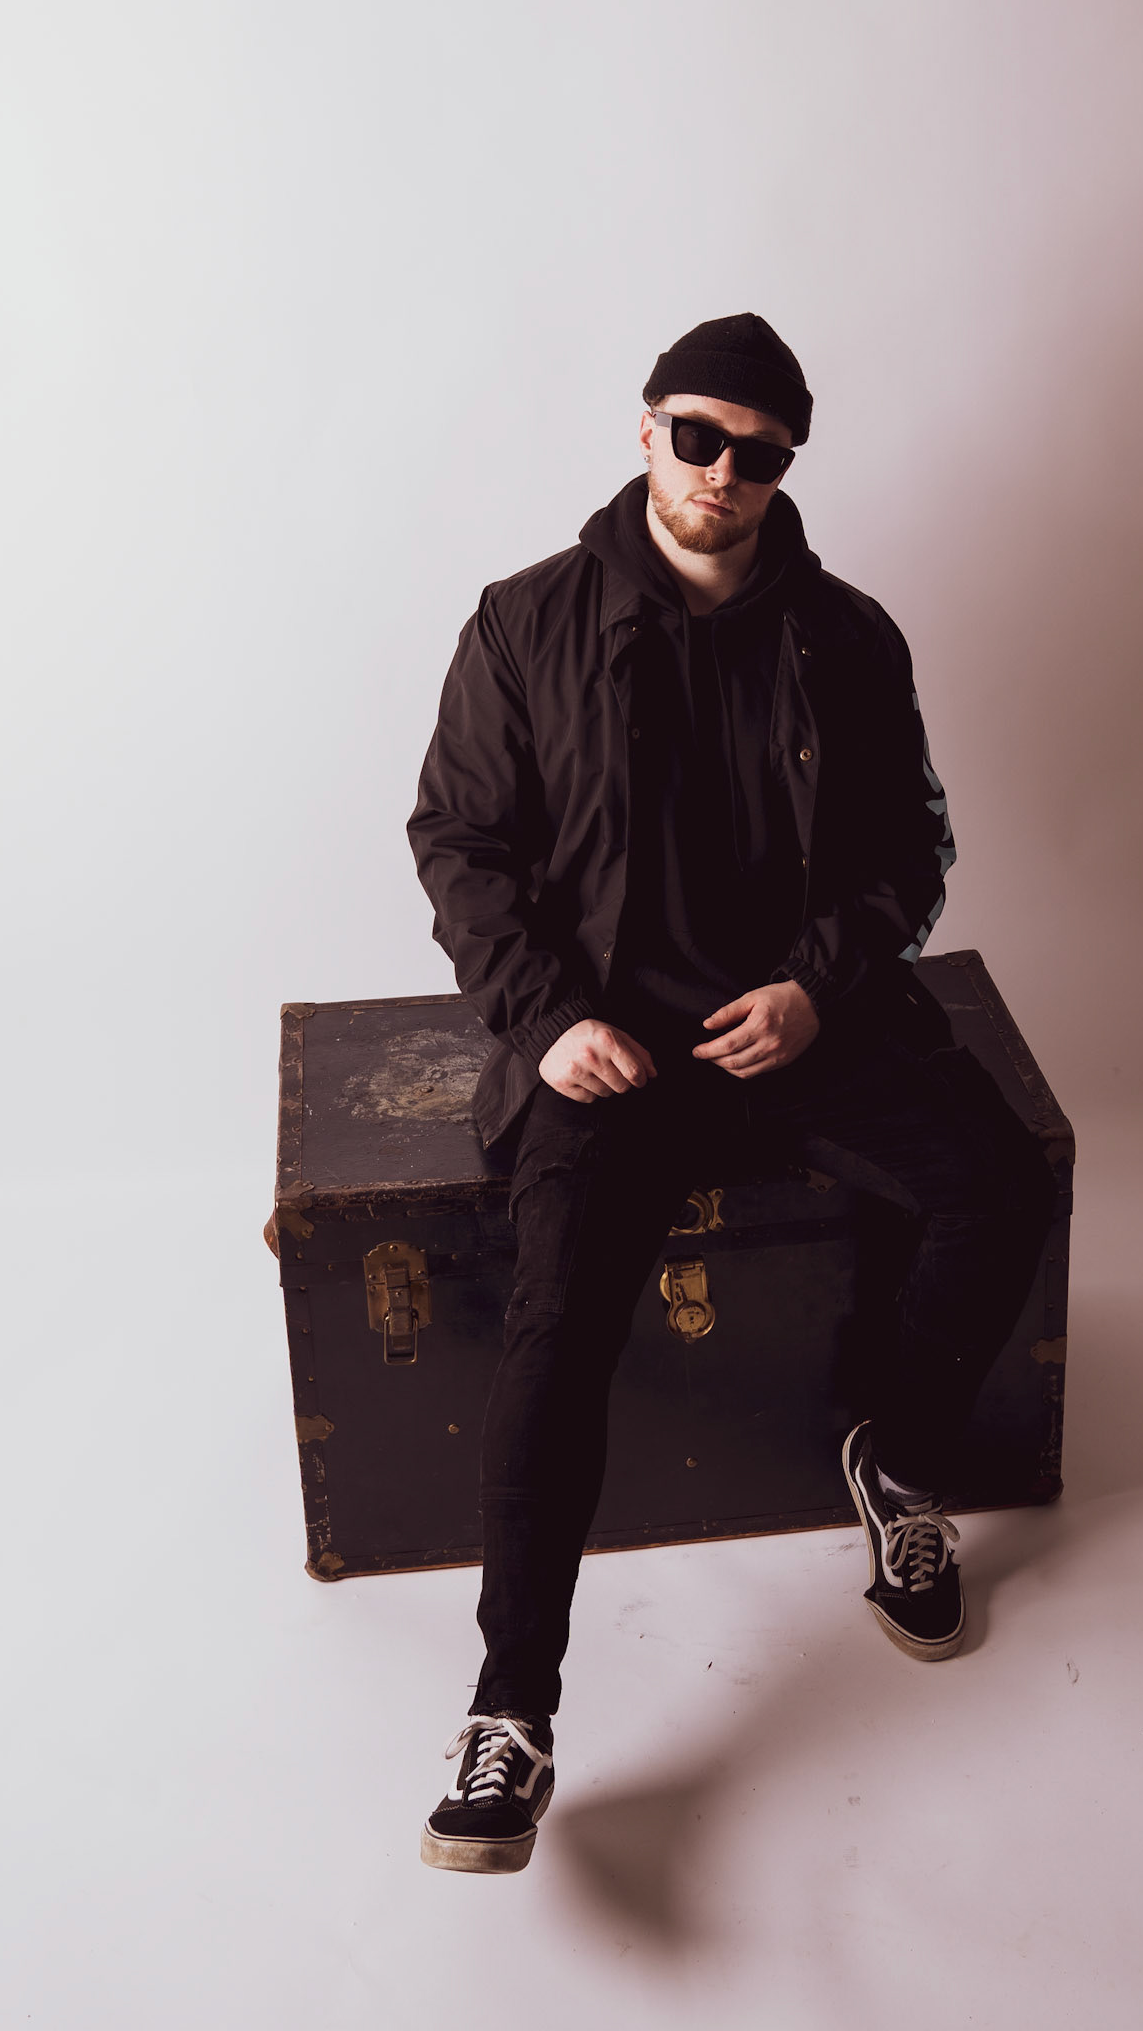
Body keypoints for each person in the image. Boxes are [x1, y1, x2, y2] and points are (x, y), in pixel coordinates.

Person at [407, 313, 1055, 1875]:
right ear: (644, 432)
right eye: (695, 438)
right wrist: (545, 1020)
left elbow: (910, 848)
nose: (722, 473)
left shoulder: (850, 635)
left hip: (804, 1026)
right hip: (611, 1050)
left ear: (784, 469)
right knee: (557, 1326)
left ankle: (892, 1459)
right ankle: (511, 1714)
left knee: (1000, 1185)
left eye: (757, 455)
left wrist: (819, 985)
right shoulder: (523, 622)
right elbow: (460, 843)